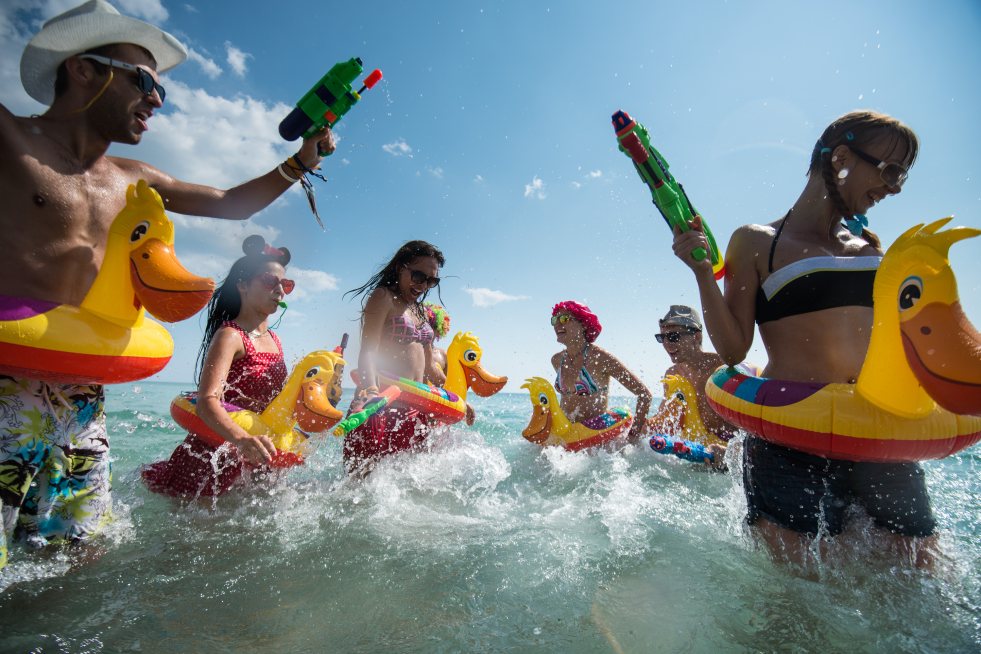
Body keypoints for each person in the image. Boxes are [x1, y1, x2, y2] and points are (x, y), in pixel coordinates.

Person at [0, 0, 334, 566]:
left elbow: (230, 204)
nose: (156, 99)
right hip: (7, 375)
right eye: (144, 81)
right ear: (83, 69)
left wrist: (300, 161)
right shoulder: (9, 141)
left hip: (83, 398)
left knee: (79, 555)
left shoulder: (134, 178)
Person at [671, 110, 934, 566]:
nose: (893, 188)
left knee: (922, 569)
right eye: (890, 171)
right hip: (788, 439)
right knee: (800, 595)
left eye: (902, 178)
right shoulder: (758, 242)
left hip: (876, 432)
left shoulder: (872, 248)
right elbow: (733, 350)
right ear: (842, 158)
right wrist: (701, 271)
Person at [141, 237, 293, 498]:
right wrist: (242, 440)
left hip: (255, 462)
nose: (279, 290)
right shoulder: (231, 336)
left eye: (286, 284)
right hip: (211, 460)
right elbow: (206, 401)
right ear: (243, 285)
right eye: (269, 281)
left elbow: (277, 404)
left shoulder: (275, 341)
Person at [342, 241, 446, 473]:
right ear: (401, 267)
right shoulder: (383, 297)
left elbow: (430, 369)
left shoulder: (420, 311)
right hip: (380, 406)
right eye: (419, 276)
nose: (424, 285)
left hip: (413, 412)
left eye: (431, 280)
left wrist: (455, 399)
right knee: (362, 492)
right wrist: (370, 391)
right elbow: (368, 351)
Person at [648, 305, 737, 469]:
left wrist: (730, 453)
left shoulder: (725, 370)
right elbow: (663, 420)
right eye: (662, 338)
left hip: (727, 466)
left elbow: (757, 433)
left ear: (696, 336)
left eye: (673, 336)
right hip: (694, 458)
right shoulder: (672, 374)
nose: (667, 344)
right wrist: (632, 429)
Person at [550, 301, 652, 442]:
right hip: (568, 436)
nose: (557, 324)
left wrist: (633, 436)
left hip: (595, 441)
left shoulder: (600, 358)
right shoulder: (557, 360)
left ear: (583, 324)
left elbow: (644, 394)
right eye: (555, 320)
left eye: (564, 319)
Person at [426, 302, 476, 426]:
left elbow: (450, 386)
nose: (428, 329)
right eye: (426, 325)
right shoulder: (413, 351)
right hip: (419, 402)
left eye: (433, 325)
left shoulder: (443, 355)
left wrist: (463, 403)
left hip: (436, 409)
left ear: (440, 329)